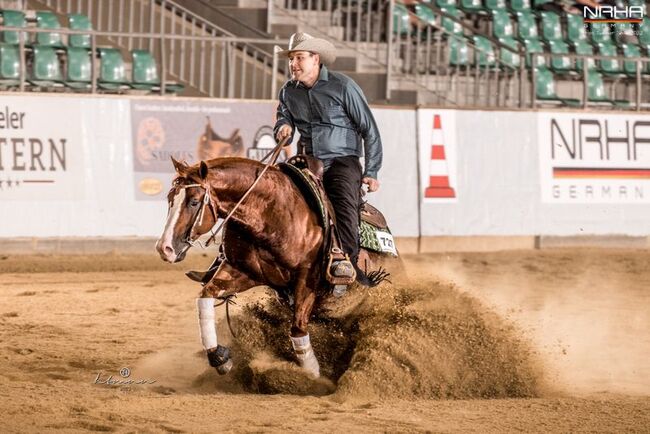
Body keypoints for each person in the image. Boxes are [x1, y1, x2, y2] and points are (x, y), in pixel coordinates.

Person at [274, 32, 383, 287]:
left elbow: (369, 130)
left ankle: (347, 262)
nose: (293, 64)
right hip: (306, 161)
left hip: (342, 161)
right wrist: (283, 126)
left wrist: (372, 171)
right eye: (291, 59)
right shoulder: (289, 91)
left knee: (343, 203)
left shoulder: (343, 86)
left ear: (315, 59)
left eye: (299, 58)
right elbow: (283, 116)